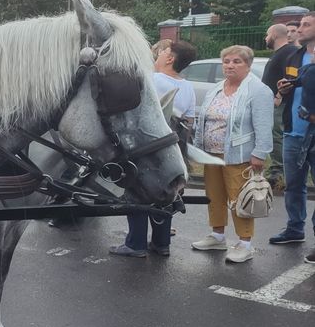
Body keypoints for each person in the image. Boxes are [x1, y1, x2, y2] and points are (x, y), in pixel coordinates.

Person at [110, 40, 196, 258]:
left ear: (170, 58)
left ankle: (135, 243)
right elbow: (190, 119)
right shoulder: (187, 85)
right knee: (166, 193)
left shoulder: (153, 80)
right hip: (175, 141)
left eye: (162, 52)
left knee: (136, 190)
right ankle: (161, 242)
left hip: (149, 144)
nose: (156, 55)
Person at [191, 46, 273, 263]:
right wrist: (198, 147)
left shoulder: (258, 90)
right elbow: (204, 119)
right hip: (211, 154)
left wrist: (260, 154)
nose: (230, 65)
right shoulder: (216, 88)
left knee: (240, 200)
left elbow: (264, 126)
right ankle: (217, 236)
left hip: (240, 155)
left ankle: (245, 243)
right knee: (214, 196)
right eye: (226, 61)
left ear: (248, 65)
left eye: (237, 61)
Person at [269, 11, 315, 261]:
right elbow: (292, 83)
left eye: (306, 25)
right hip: (293, 130)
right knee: (294, 185)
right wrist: (283, 88)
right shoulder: (296, 55)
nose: (299, 29)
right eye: (300, 25)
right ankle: (295, 228)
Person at [261, 23, 297, 187]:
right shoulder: (279, 53)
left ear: (274, 35)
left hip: (280, 104)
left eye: (267, 34)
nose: (265, 38)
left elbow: (290, 78)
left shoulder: (288, 52)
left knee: (277, 135)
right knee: (274, 134)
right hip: (271, 102)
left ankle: (278, 171)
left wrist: (280, 95)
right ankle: (276, 168)